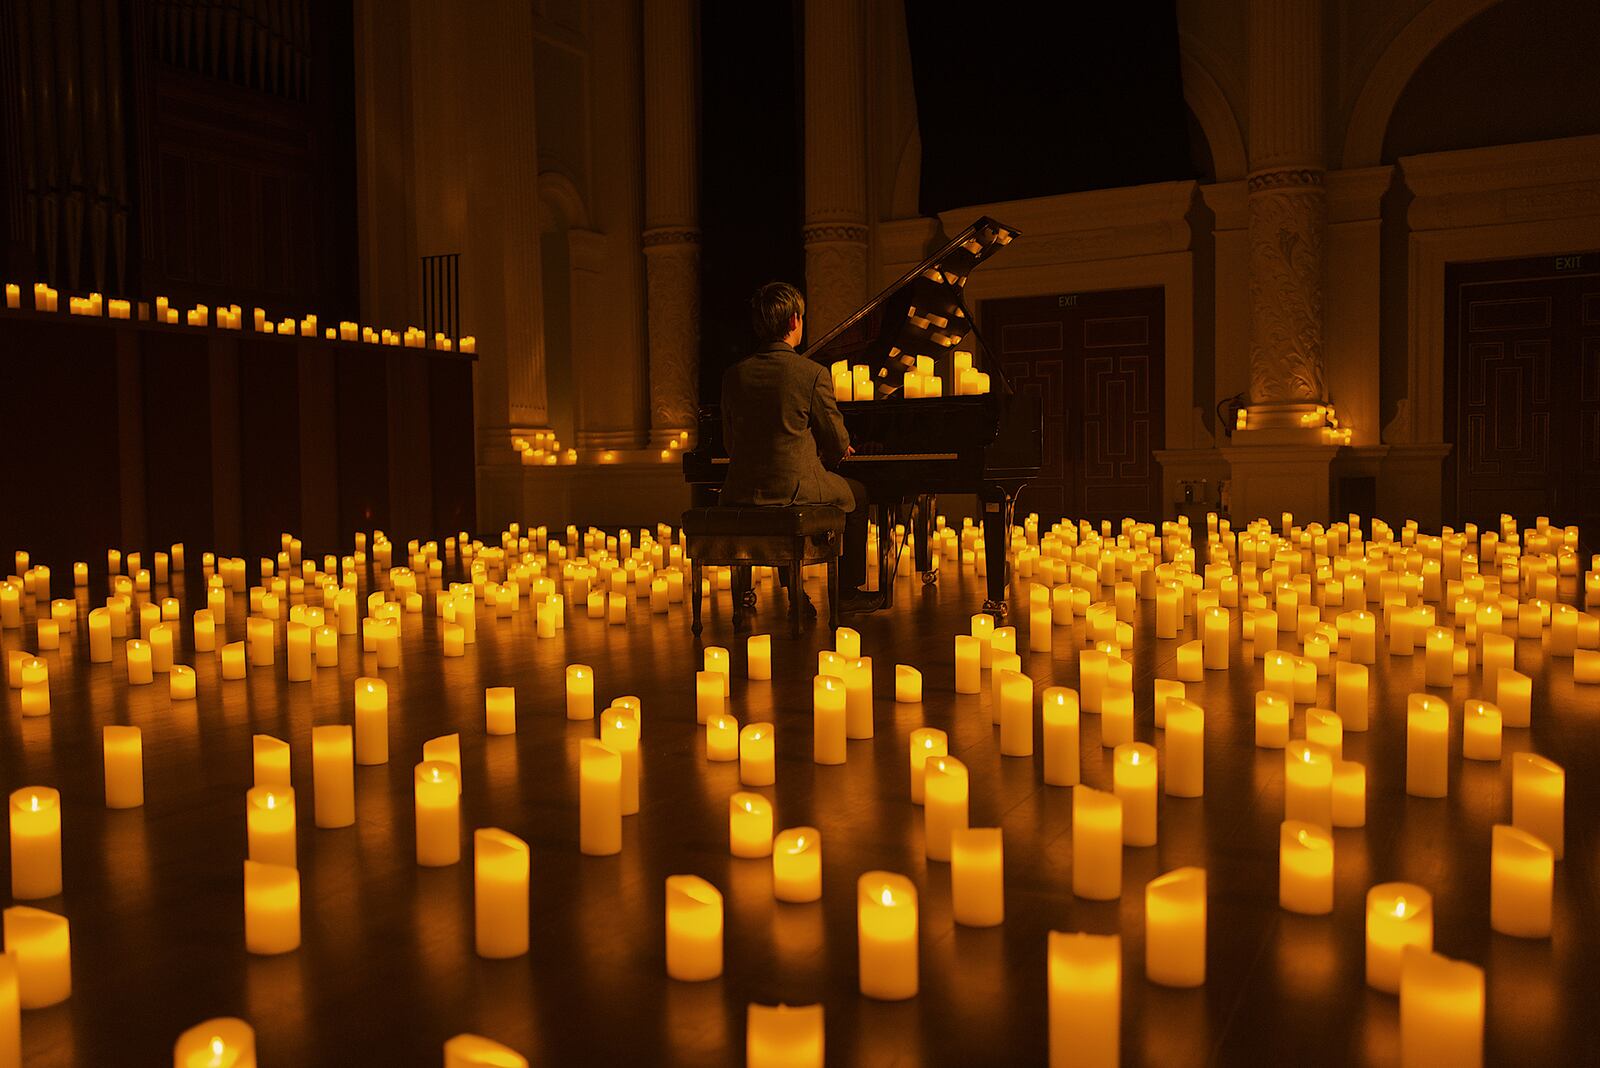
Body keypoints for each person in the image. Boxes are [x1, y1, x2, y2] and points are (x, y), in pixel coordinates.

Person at [719, 281, 879, 615]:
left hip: (742, 489)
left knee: (778, 503)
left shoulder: (734, 375)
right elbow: (836, 443)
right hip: (792, 491)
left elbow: (730, 445)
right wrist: (837, 451)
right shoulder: (812, 374)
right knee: (859, 494)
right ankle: (847, 591)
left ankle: (796, 592)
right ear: (794, 321)